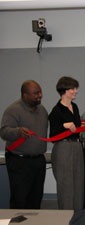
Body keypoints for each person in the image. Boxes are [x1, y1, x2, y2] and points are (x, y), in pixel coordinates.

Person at [0, 80, 48, 209]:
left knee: (36, 199)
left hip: (38, 161)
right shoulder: (13, 110)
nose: (39, 95)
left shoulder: (42, 110)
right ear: (24, 95)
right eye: (35, 93)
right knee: (19, 199)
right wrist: (17, 132)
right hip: (19, 162)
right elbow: (4, 132)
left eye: (40, 92)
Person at [48, 76, 84, 210]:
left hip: (76, 147)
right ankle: (66, 216)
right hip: (63, 148)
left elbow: (78, 128)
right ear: (64, 90)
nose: (76, 91)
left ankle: (78, 214)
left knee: (79, 182)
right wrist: (64, 125)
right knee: (66, 184)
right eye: (73, 89)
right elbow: (52, 136)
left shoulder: (74, 106)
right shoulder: (56, 111)